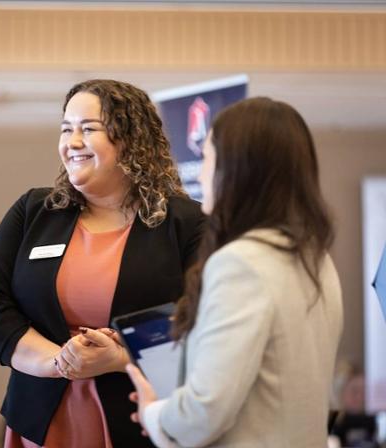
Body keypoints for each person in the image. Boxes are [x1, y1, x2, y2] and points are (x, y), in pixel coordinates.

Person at [0, 79, 204, 447]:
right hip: (40, 420)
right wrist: (58, 361)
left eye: (88, 129)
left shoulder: (186, 222)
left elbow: (204, 322)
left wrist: (121, 358)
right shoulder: (35, 211)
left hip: (141, 417)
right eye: (66, 129)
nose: (72, 142)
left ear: (130, 139)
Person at [126, 96, 344, 447]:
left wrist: (155, 413)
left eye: (208, 156)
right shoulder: (316, 258)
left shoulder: (240, 264)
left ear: (236, 169)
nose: (201, 169)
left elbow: (204, 411)